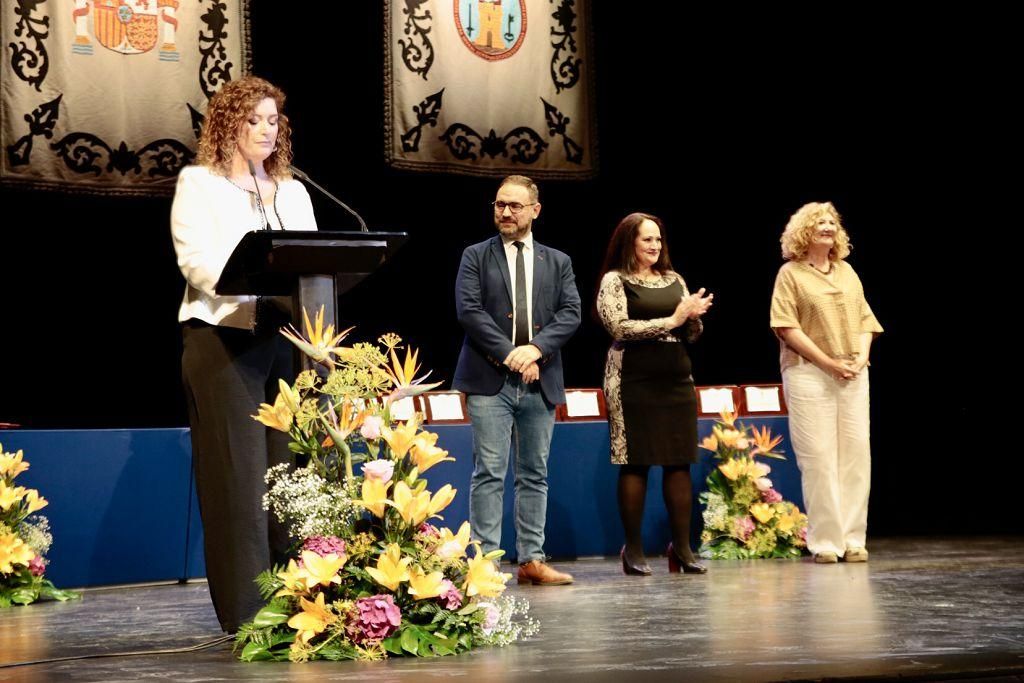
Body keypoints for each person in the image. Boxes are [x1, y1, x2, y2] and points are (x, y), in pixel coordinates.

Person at [171, 76, 317, 632]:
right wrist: (255, 279)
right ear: (227, 124)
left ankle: (301, 605)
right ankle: (249, 617)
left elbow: (315, 260)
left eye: (272, 120)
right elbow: (197, 264)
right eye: (252, 119)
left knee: (290, 476)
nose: (264, 130)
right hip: (222, 341)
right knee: (240, 479)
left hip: (286, 339)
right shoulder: (199, 184)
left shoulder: (295, 190)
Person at [453, 175, 581, 585]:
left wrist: (536, 350)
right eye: (499, 205)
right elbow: (470, 312)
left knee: (534, 473)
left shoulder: (557, 261)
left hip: (539, 379)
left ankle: (531, 560)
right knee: (489, 470)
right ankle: (486, 564)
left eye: (514, 206)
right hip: (490, 378)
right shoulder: (475, 255)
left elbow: (570, 314)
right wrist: (513, 354)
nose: (505, 212)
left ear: (535, 210)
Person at [596, 213, 713, 575]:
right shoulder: (614, 281)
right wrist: (674, 320)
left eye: (659, 240)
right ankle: (633, 549)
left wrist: (693, 317)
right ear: (629, 241)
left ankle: (681, 549)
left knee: (679, 462)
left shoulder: (673, 279)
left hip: (675, 378)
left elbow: (691, 335)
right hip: (633, 379)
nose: (655, 246)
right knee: (637, 461)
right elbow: (618, 326)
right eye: (647, 239)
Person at [770, 201, 882, 564]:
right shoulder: (791, 274)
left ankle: (853, 539)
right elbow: (785, 327)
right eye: (819, 220)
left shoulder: (847, 271)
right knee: (818, 458)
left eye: (832, 221)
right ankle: (826, 542)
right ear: (803, 230)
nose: (827, 225)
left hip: (852, 373)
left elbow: (866, 320)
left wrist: (861, 357)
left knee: (855, 456)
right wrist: (828, 362)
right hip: (809, 373)